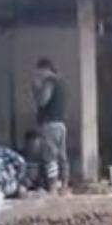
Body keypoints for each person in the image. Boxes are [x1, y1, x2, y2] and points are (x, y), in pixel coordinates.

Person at [33, 58, 68, 193]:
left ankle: (53, 186)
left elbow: (42, 101)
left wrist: (36, 89)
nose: (38, 75)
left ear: (44, 69)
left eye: (38, 72)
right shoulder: (63, 82)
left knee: (50, 156)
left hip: (49, 124)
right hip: (61, 124)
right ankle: (64, 186)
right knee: (62, 156)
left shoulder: (49, 82)